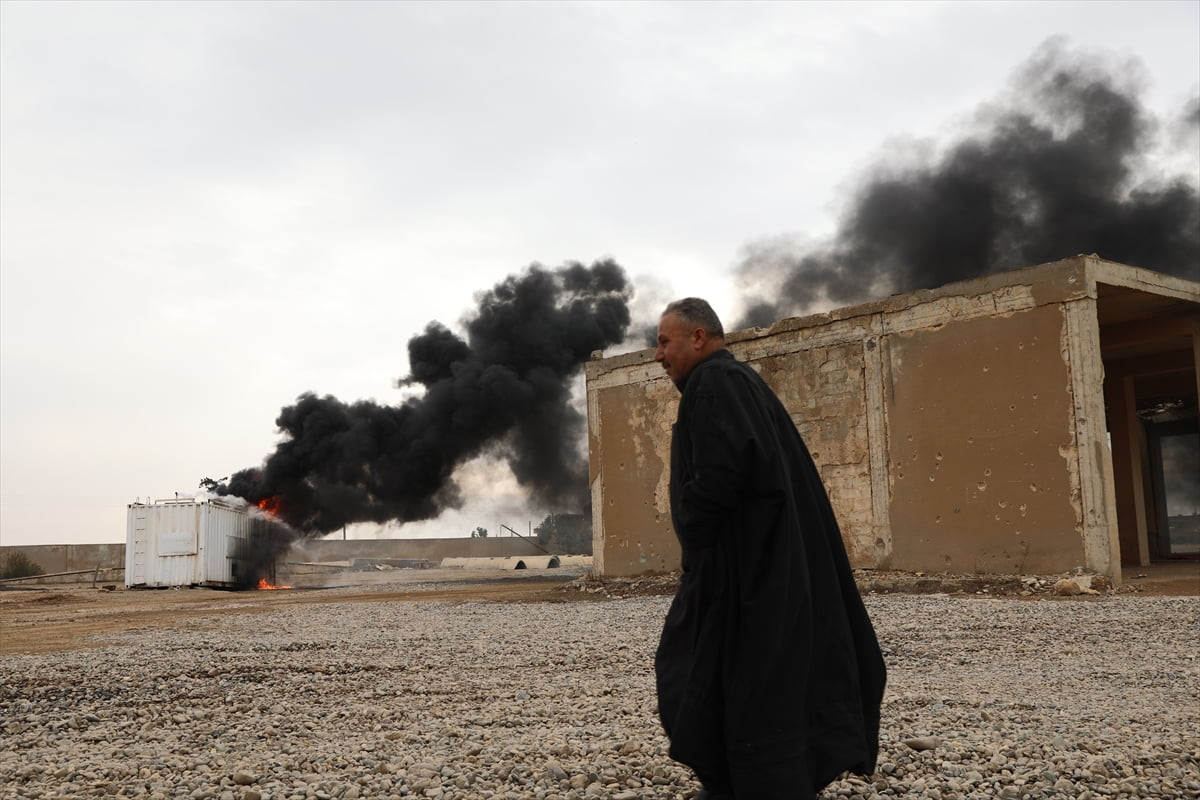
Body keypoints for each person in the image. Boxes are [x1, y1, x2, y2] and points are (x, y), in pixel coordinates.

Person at [652, 298, 886, 800]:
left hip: (742, 579)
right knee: (744, 682)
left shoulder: (715, 383)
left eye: (664, 342)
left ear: (697, 337)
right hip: (754, 574)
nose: (658, 355)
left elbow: (720, 475)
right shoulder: (739, 382)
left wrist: (692, 523)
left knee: (700, 678)